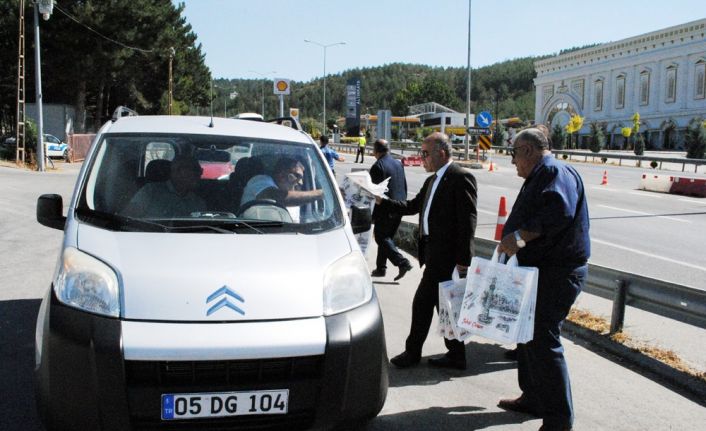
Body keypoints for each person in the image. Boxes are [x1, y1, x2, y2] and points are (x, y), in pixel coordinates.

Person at [497, 127, 590, 431]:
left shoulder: (553, 171)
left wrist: (519, 239)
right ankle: (534, 397)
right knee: (526, 334)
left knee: (544, 339)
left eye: (513, 154)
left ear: (527, 150)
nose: (513, 162)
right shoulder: (542, 172)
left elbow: (557, 214)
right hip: (538, 271)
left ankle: (558, 420)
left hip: (557, 272)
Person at [375, 132, 477, 370]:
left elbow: (468, 221)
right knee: (443, 306)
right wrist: (382, 201)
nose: (421, 158)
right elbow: (412, 206)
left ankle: (414, 353)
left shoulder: (460, 177)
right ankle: (455, 354)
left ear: (441, 153)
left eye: (425, 153)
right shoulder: (432, 180)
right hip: (433, 253)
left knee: (424, 303)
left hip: (449, 256)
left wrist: (464, 260)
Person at [369, 139, 413, 281]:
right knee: (387, 238)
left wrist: (372, 215)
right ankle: (381, 268)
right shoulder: (398, 164)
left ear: (376, 151)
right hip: (399, 206)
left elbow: (374, 193)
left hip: (385, 209)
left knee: (381, 237)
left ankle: (402, 262)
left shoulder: (377, 166)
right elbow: (404, 186)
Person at [124, 154, 206, 217]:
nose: (200, 174)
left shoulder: (198, 202)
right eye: (195, 170)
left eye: (200, 170)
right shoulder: (150, 192)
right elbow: (128, 218)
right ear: (177, 171)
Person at [240, 157, 323, 208]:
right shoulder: (260, 180)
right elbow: (278, 198)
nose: (301, 182)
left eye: (302, 178)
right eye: (297, 176)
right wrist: (321, 193)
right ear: (281, 175)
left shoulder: (296, 200)